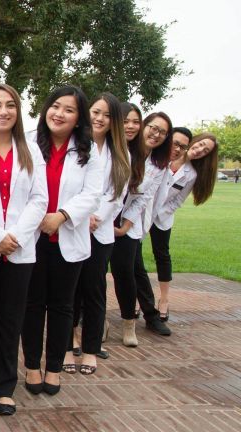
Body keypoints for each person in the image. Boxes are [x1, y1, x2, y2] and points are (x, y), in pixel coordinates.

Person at [0, 84, 47, 416]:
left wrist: (13, 235)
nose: (3, 111)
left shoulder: (31, 150)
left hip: (20, 249)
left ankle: (4, 386)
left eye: (10, 105)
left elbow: (39, 199)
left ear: (18, 111)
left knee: (11, 319)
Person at [20, 85, 103, 397]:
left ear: (78, 118)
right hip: (33, 238)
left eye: (69, 110)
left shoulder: (87, 150)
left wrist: (63, 215)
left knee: (62, 307)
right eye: (56, 106)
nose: (60, 114)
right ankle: (31, 365)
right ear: (46, 109)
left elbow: (93, 193)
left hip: (67, 238)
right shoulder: (28, 141)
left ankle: (53, 368)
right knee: (31, 304)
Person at [64, 93, 130, 376]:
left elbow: (117, 194)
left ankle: (90, 350)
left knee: (94, 291)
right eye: (95, 112)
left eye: (107, 115)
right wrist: (80, 214)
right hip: (73, 227)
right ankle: (66, 347)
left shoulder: (120, 153)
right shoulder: (77, 145)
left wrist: (98, 216)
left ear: (114, 121)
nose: (99, 118)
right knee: (68, 293)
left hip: (99, 232)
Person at [111, 111, 174, 346]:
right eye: (152, 127)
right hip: (103, 217)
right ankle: (94, 323)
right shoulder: (121, 150)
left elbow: (145, 198)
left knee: (125, 271)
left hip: (130, 221)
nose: (155, 134)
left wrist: (126, 225)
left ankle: (129, 323)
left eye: (162, 132)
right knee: (92, 272)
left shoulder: (159, 165)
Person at [149, 131, 218, 321]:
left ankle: (164, 300)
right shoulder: (162, 158)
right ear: (193, 141)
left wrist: (159, 212)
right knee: (133, 257)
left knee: (162, 256)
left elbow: (177, 201)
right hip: (141, 213)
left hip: (162, 218)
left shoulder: (191, 174)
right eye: (201, 144)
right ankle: (140, 298)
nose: (200, 149)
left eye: (206, 150)